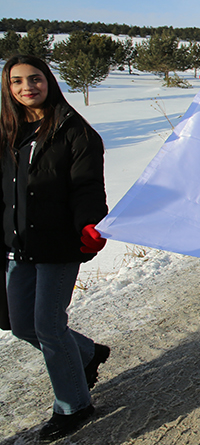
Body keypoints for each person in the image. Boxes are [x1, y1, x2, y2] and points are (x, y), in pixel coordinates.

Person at [1, 55, 110, 442]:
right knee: (22, 326)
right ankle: (87, 354)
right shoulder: (7, 132)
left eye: (35, 78)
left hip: (59, 242)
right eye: (17, 81)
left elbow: (87, 187)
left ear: (49, 80)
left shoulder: (74, 131)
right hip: (18, 245)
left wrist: (90, 223)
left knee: (48, 326)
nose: (27, 87)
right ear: (8, 88)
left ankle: (73, 406)